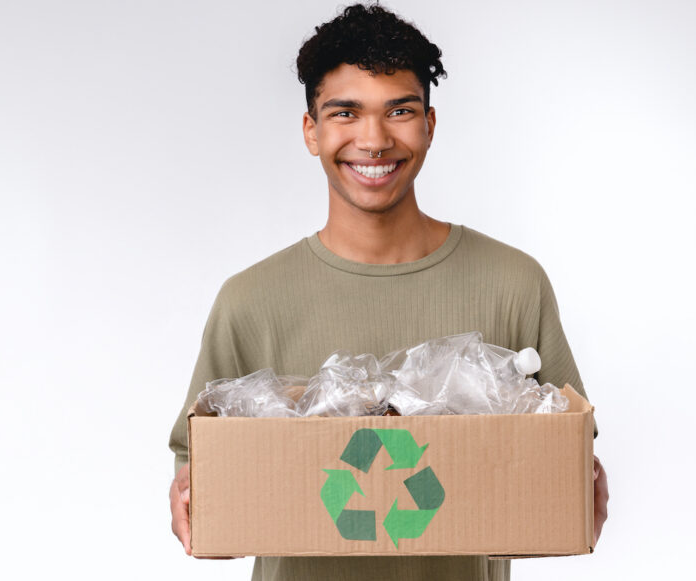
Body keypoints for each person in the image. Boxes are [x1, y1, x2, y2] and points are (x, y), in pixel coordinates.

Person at [168, 4, 609, 581]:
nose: (373, 140)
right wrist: (194, 502)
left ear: (429, 123)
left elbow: (562, 465)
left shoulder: (512, 284)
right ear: (312, 131)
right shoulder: (251, 301)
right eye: (345, 112)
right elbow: (206, 484)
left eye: (399, 111)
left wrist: (581, 487)